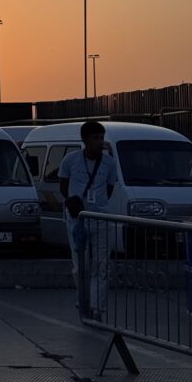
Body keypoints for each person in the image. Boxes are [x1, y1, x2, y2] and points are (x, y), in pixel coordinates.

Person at [58, 120, 117, 318]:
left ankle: (97, 307)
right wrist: (73, 202)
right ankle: (83, 300)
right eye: (95, 138)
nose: (100, 142)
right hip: (78, 219)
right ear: (85, 140)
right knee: (80, 265)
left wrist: (98, 205)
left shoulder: (109, 163)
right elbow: (63, 184)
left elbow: (109, 188)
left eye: (102, 137)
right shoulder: (70, 160)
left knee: (101, 264)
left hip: (100, 218)